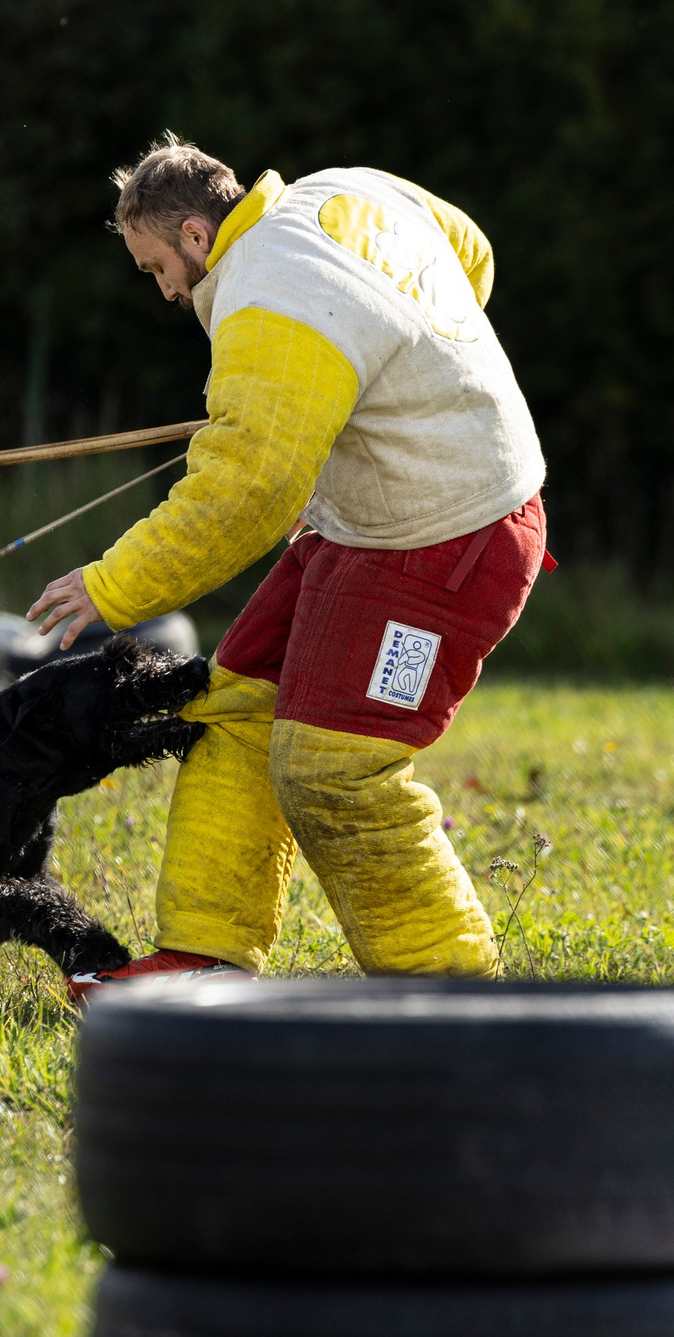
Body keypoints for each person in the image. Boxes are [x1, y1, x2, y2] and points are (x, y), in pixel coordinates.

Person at [28, 134, 550, 999]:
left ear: (197, 236)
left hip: (451, 536)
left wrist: (111, 585)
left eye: (157, 266)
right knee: (238, 705)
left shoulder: (270, 299)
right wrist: (371, 372)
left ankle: (460, 1000)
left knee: (334, 766)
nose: (162, 291)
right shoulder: (349, 187)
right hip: (366, 523)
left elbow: (249, 492)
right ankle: (204, 954)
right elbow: (470, 249)